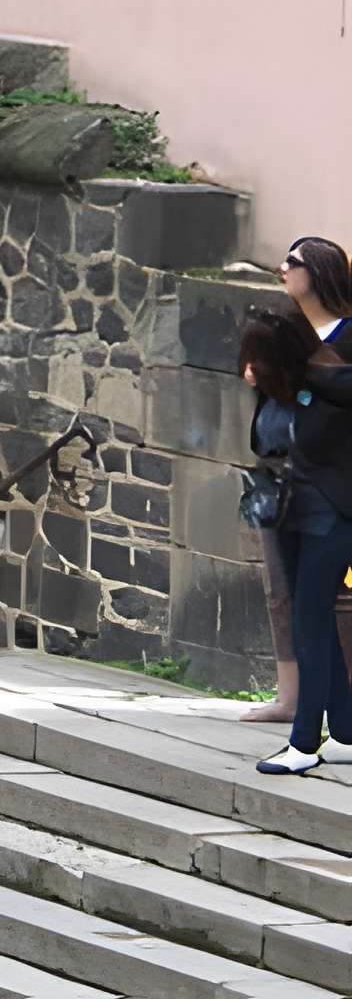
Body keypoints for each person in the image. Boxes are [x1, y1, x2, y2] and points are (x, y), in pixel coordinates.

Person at [266, 280, 352, 773]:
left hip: (336, 509)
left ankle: (303, 745)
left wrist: (303, 381)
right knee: (312, 618)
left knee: (309, 623)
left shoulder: (335, 362)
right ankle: (342, 733)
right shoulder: (300, 362)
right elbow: (269, 433)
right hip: (300, 505)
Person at [243, 310, 317, 723]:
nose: (249, 368)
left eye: (258, 357)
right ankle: (289, 697)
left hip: (313, 489)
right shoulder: (267, 397)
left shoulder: (311, 393)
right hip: (273, 491)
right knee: (279, 594)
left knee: (326, 595)